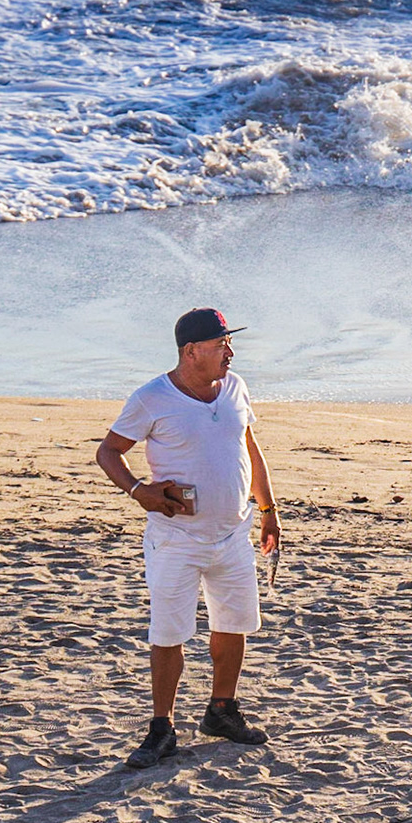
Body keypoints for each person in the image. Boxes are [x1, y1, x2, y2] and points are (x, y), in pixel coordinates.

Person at [95, 308, 281, 769]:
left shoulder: (235, 388)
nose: (230, 352)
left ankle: (222, 710)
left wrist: (268, 511)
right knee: (169, 632)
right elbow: (109, 451)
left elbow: (249, 447)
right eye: (221, 345)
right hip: (176, 537)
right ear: (191, 351)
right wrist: (139, 491)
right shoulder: (152, 398)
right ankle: (162, 727)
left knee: (234, 623)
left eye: (229, 343)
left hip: (233, 533)